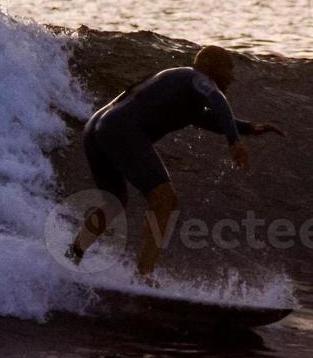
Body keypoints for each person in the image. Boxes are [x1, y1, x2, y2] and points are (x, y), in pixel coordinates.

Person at [67, 45, 285, 278]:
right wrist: (235, 142)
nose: (232, 78)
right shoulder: (198, 78)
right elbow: (217, 99)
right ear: (214, 69)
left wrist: (250, 128)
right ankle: (143, 276)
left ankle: (74, 253)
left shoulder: (180, 85)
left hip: (97, 128)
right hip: (121, 129)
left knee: (115, 202)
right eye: (229, 70)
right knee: (165, 201)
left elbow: (209, 118)